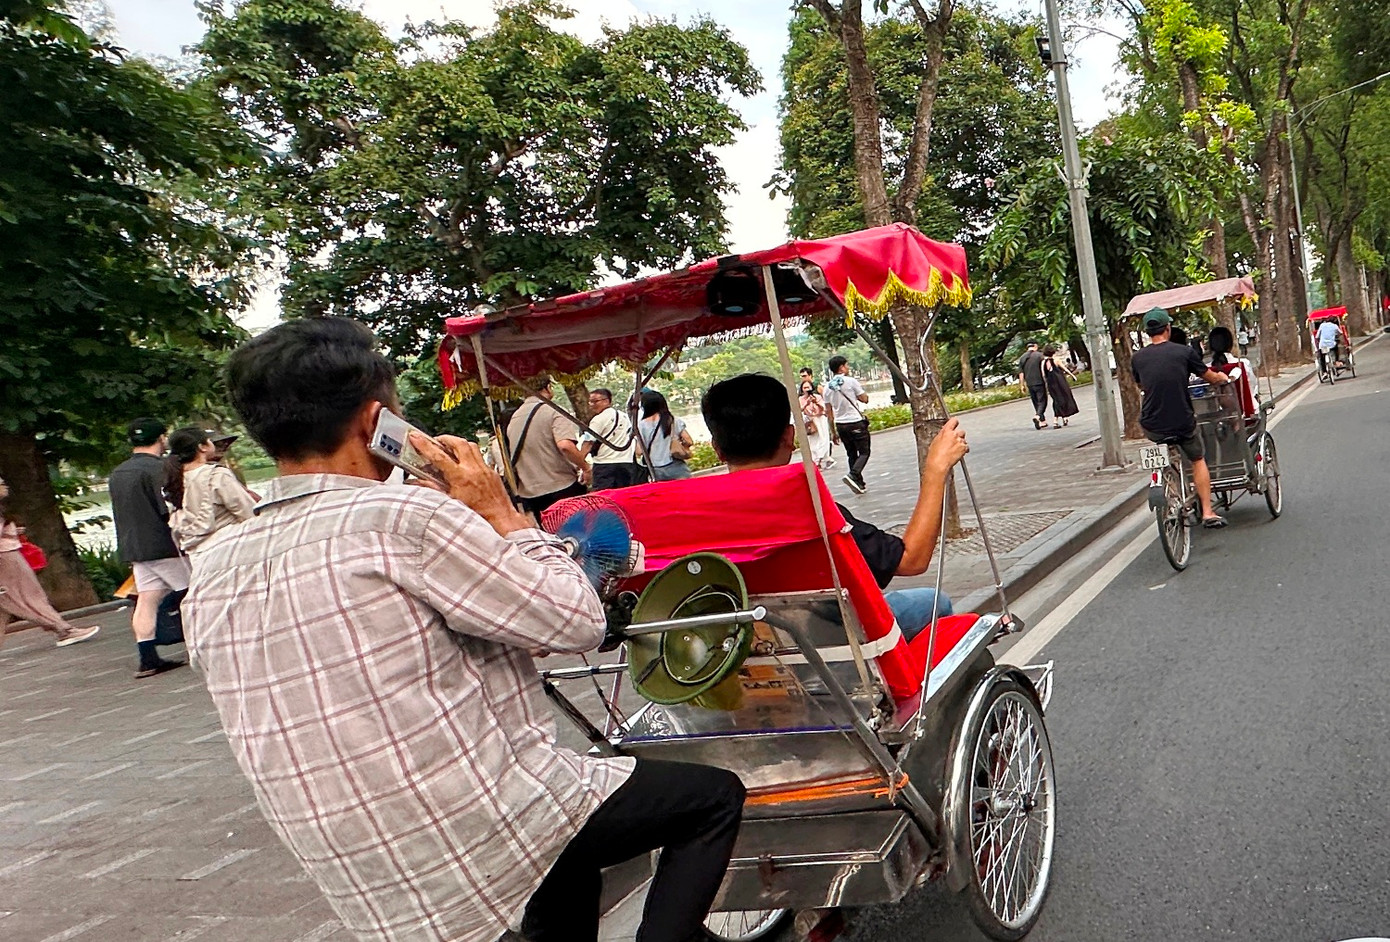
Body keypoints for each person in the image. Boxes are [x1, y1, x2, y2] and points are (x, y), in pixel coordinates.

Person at [186, 317, 745, 942]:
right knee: (711, 798)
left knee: (569, 849)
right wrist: (498, 510)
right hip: (469, 818)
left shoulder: (214, 565)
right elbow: (578, 620)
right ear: (378, 424)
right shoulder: (406, 517)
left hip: (345, 855)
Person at [703, 373, 967, 641]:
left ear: (717, 449)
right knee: (935, 601)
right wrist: (936, 469)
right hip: (832, 635)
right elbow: (912, 560)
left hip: (745, 641)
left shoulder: (697, 518)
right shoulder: (812, 511)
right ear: (789, 437)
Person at [1130, 308, 1234, 529]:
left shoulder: (1137, 358)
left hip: (1151, 424)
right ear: (1167, 328)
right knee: (1197, 458)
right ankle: (1207, 512)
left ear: (1149, 332)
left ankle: (1169, 484)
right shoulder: (1183, 353)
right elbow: (1210, 376)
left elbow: (1141, 384)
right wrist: (1221, 377)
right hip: (1181, 420)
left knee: (1166, 451)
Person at [109, 417, 189, 678]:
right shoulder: (160, 468)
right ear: (162, 438)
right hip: (163, 544)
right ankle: (200, 643)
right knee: (192, 592)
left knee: (147, 599)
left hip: (134, 545)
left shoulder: (118, 472)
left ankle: (147, 656)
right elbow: (167, 507)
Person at [0, 476, 101, 648]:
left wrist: (11, 530)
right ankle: (64, 630)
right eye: (1, 484)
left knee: (5, 603)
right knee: (30, 596)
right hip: (7, 557)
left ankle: (63, 629)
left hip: (7, 554)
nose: (5, 486)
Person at [165, 427, 257, 553]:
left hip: (197, 553)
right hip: (229, 547)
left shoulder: (172, 478)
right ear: (202, 447)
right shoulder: (216, 474)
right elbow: (247, 512)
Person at [505, 378, 588, 517]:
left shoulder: (515, 417)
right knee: (575, 534)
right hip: (561, 486)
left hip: (530, 493)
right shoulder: (553, 411)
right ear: (548, 388)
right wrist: (586, 467)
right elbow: (565, 445)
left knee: (550, 536)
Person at [824, 355, 871, 493]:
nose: (848, 368)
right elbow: (864, 399)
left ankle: (859, 483)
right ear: (841, 367)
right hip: (855, 422)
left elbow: (829, 412)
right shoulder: (850, 381)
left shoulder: (827, 387)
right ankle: (854, 474)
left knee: (851, 454)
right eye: (847, 365)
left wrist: (833, 432)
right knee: (864, 452)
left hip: (840, 424)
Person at [579, 387, 639, 491]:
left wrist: (581, 464)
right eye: (590, 402)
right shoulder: (625, 417)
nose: (591, 405)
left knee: (603, 498)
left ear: (607, 401)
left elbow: (588, 443)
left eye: (595, 401)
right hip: (626, 464)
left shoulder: (598, 420)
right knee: (623, 496)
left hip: (604, 465)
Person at [636, 389, 695, 481]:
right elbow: (689, 440)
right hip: (676, 466)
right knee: (686, 493)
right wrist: (680, 445)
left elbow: (639, 451)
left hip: (656, 470)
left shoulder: (640, 426)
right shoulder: (672, 420)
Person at [797, 378, 835, 468]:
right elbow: (800, 410)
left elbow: (823, 409)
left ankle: (820, 459)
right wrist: (807, 403)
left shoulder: (817, 397)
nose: (806, 389)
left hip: (820, 418)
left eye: (808, 387)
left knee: (823, 439)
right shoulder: (800, 399)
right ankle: (817, 460)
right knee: (813, 441)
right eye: (804, 387)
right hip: (810, 420)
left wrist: (815, 402)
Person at [1041, 344, 1079, 428]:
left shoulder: (1043, 362)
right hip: (1060, 382)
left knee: (1056, 400)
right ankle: (1056, 420)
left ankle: (1063, 418)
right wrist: (1072, 375)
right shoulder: (1056, 360)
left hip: (1051, 384)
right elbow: (1065, 369)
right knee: (1064, 398)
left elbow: (1043, 375)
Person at [1017, 342, 1048, 430]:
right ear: (1035, 346)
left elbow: (1021, 373)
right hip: (1039, 382)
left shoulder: (1022, 358)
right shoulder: (1039, 356)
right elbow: (1044, 368)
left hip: (1030, 383)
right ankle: (1038, 416)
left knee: (1035, 402)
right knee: (1042, 401)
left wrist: (1022, 385)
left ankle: (1042, 420)